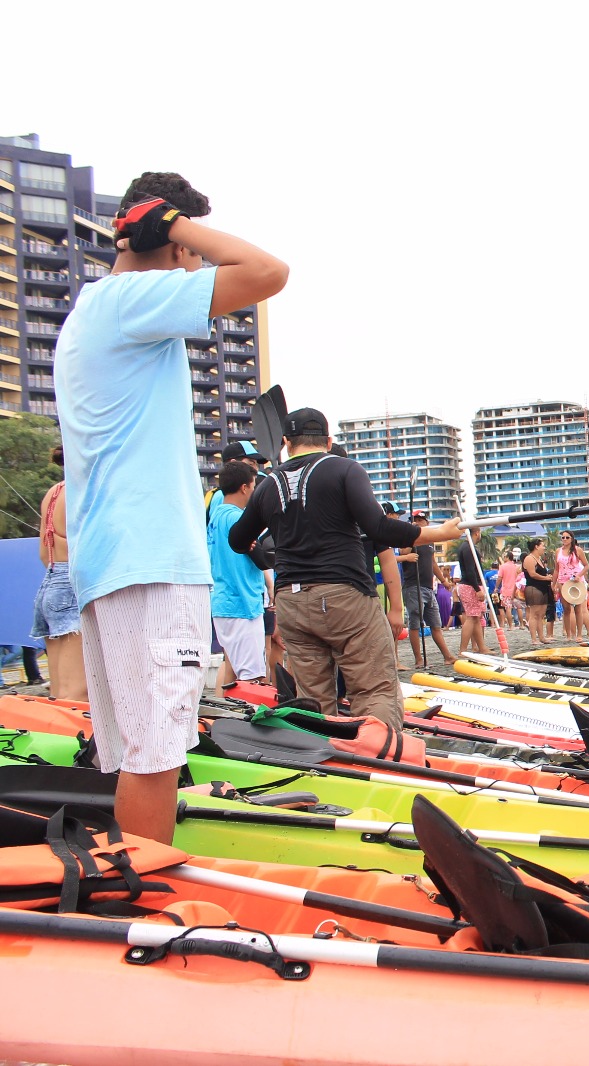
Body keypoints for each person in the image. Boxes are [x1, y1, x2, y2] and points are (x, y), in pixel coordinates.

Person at [55, 171, 288, 843]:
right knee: (156, 755)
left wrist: (162, 227)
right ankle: (150, 904)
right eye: (188, 242)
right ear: (175, 243)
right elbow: (269, 271)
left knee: (135, 753)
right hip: (149, 561)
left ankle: (131, 885)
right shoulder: (132, 297)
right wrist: (176, 226)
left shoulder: (92, 309)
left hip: (116, 561)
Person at [229, 407, 462, 729]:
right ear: (327, 440)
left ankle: (326, 759)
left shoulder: (269, 485)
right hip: (344, 596)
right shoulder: (344, 469)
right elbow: (378, 527)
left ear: (285, 442)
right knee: (373, 687)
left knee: (313, 697)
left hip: (292, 604)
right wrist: (437, 533)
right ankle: (381, 756)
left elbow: (238, 539)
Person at [30, 446, 87, 701]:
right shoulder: (82, 490)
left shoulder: (54, 493)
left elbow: (44, 552)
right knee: (77, 691)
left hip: (51, 581)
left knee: (59, 689)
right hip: (74, 583)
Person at [206, 460, 268, 691]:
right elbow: (260, 558)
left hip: (223, 602)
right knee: (253, 682)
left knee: (235, 674)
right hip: (242, 603)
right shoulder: (237, 519)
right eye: (253, 487)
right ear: (244, 487)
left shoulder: (216, 516)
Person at [395, 511, 457, 668]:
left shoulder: (429, 540)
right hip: (413, 586)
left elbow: (433, 563)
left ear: (427, 523)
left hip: (428, 587)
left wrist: (444, 581)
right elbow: (403, 552)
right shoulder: (407, 537)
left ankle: (447, 656)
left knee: (436, 624)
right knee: (415, 624)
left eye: (422, 520)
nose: (419, 523)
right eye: (416, 520)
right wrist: (412, 536)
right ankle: (418, 659)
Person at [555, 531, 589, 639]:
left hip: (575, 582)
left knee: (578, 608)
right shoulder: (558, 551)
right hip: (562, 582)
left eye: (567, 537)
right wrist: (553, 583)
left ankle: (579, 634)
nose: (564, 539)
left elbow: (586, 565)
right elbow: (556, 569)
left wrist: (579, 575)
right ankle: (569, 634)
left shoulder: (577, 550)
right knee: (566, 609)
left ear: (571, 539)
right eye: (563, 537)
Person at [455, 549, 489, 654]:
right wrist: (477, 589)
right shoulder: (468, 549)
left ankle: (481, 647)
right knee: (472, 617)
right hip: (470, 586)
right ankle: (463, 650)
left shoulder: (469, 548)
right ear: (477, 533)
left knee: (476, 617)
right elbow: (470, 571)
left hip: (472, 585)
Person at [521, 537, 554, 644]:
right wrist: (546, 578)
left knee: (541, 614)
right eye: (542, 545)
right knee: (534, 614)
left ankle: (541, 637)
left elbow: (540, 573)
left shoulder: (539, 559)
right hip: (533, 587)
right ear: (536, 546)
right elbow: (532, 574)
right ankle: (534, 639)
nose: (544, 548)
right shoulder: (529, 558)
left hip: (543, 587)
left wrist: (547, 576)